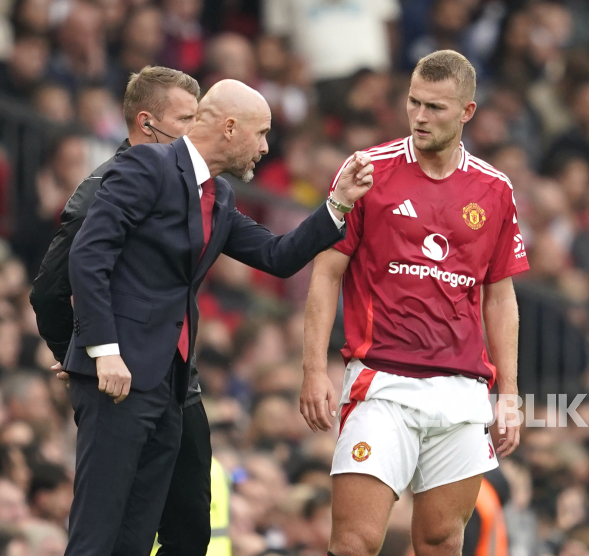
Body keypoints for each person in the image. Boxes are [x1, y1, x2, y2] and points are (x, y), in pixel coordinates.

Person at [63, 77, 374, 556]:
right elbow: (88, 255)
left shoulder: (220, 197)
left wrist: (339, 205)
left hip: (168, 383)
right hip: (117, 376)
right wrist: (103, 350)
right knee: (97, 533)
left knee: (135, 536)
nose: (266, 147)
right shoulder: (148, 164)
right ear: (230, 128)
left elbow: (278, 255)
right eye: (261, 133)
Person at [299, 50, 526, 556]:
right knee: (355, 541)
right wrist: (314, 367)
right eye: (413, 103)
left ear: (467, 112)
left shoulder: (494, 189)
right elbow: (326, 272)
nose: (420, 117)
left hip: (462, 388)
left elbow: (500, 294)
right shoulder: (368, 171)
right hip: (382, 383)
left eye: (436, 108)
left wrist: (507, 392)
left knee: (442, 541)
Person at [30, 66, 210, 556]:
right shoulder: (108, 184)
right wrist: (87, 352)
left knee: (188, 528)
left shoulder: (196, 185)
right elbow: (50, 288)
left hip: (177, 382)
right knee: (110, 532)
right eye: (187, 118)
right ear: (148, 123)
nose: (197, 131)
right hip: (124, 380)